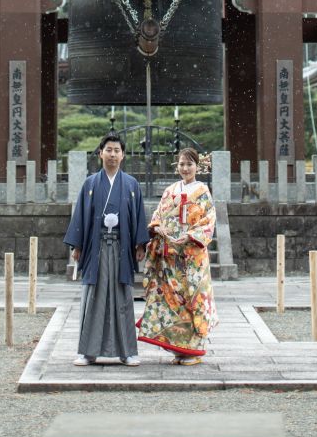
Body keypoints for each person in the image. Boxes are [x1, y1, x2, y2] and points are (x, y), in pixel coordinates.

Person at [64, 132, 149, 366]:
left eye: (117, 150)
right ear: (100, 153)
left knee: (122, 297)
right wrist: (77, 245)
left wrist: (140, 243)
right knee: (93, 297)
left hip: (121, 247)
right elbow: (80, 215)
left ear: (123, 155)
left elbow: (138, 215)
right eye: (108, 150)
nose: (113, 154)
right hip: (96, 246)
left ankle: (127, 351)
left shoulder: (131, 185)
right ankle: (87, 351)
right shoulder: (90, 184)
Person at [137, 147, 218, 364]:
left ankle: (194, 348)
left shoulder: (202, 191)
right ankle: (179, 348)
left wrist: (191, 235)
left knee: (193, 298)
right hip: (170, 255)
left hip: (192, 255)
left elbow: (208, 220)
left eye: (189, 164)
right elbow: (158, 214)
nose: (185, 168)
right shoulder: (170, 190)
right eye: (181, 164)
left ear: (197, 166)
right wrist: (156, 227)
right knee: (173, 300)